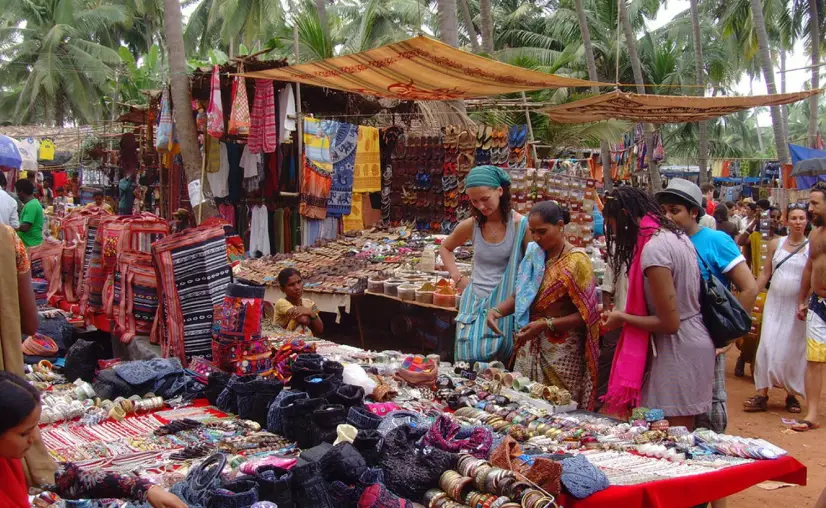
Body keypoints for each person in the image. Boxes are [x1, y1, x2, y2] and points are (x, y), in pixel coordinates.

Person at [601, 187, 714, 429]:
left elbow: (669, 323)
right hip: (686, 345)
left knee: (672, 438)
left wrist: (623, 317)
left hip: (679, 351)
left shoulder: (654, 249)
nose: (614, 235)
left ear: (625, 215)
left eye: (613, 226)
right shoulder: (675, 236)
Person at [657, 178, 758, 433]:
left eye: (675, 211)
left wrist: (729, 336)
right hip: (670, 339)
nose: (667, 217)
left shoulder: (716, 241)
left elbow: (749, 287)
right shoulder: (661, 243)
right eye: (664, 210)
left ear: (694, 212)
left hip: (706, 339)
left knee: (708, 411)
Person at [0, 371, 186, 507]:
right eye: (24, 433)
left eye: (35, 429)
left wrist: (144, 489)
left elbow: (68, 479)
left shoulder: (12, 459)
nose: (34, 439)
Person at [485, 201, 600, 409]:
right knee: (524, 403)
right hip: (530, 344)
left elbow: (586, 316)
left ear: (560, 225)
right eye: (533, 232)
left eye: (542, 232)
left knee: (560, 406)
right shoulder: (534, 254)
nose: (536, 238)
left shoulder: (576, 262)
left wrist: (545, 325)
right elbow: (522, 295)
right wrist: (496, 311)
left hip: (562, 352)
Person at [439, 165, 529, 363]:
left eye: (485, 199)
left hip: (505, 304)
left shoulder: (521, 226)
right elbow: (445, 248)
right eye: (474, 201)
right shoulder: (472, 225)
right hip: (474, 302)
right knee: (466, 360)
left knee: (501, 364)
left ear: (500, 191)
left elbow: (532, 269)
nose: (481, 206)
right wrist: (458, 277)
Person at [743, 203, 810, 414]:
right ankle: (761, 394)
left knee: (794, 350)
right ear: (786, 221)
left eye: (802, 218)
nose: (798, 222)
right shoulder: (775, 244)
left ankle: (791, 396)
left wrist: (807, 302)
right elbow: (765, 273)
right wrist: (753, 293)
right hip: (774, 303)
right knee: (766, 345)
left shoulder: (812, 247)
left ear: (807, 221)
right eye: (794, 218)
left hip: (797, 307)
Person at [795, 183, 826, 431]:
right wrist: (802, 299)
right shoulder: (814, 233)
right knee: (814, 360)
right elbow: (809, 268)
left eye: (815, 203)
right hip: (817, 304)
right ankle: (812, 413)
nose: (810, 207)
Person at [274, 268, 323, 337]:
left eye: (299, 282)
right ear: (282, 289)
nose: (297, 287)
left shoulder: (310, 303)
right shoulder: (281, 303)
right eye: (291, 285)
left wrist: (310, 312)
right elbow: (303, 320)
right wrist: (311, 317)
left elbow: (320, 329)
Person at [14, 179, 43, 248]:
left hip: (30, 245)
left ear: (21, 192)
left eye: (16, 192)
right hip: (29, 243)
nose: (16, 195)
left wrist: (10, 227)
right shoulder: (32, 203)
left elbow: (25, 227)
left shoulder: (31, 205)